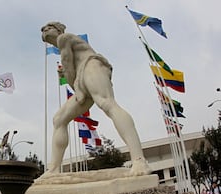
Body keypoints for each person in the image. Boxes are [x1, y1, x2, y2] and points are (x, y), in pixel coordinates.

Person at [40, 22, 151, 177]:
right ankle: (53, 170)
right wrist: (73, 82)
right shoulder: (63, 45)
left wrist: (72, 82)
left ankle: (139, 160)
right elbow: (70, 69)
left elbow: (67, 63)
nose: (45, 30)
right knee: (59, 119)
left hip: (91, 65)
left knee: (107, 104)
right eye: (43, 29)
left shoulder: (64, 38)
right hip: (81, 79)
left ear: (59, 30)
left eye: (49, 27)